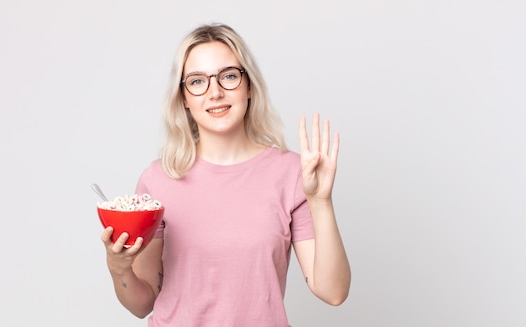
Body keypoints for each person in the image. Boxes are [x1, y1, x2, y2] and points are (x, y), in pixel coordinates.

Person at [101, 23, 351, 326]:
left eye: (229, 76)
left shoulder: (291, 174)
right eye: (197, 81)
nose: (215, 93)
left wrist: (321, 201)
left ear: (249, 87)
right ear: (183, 97)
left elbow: (333, 292)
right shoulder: (158, 179)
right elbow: (141, 304)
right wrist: (119, 268)